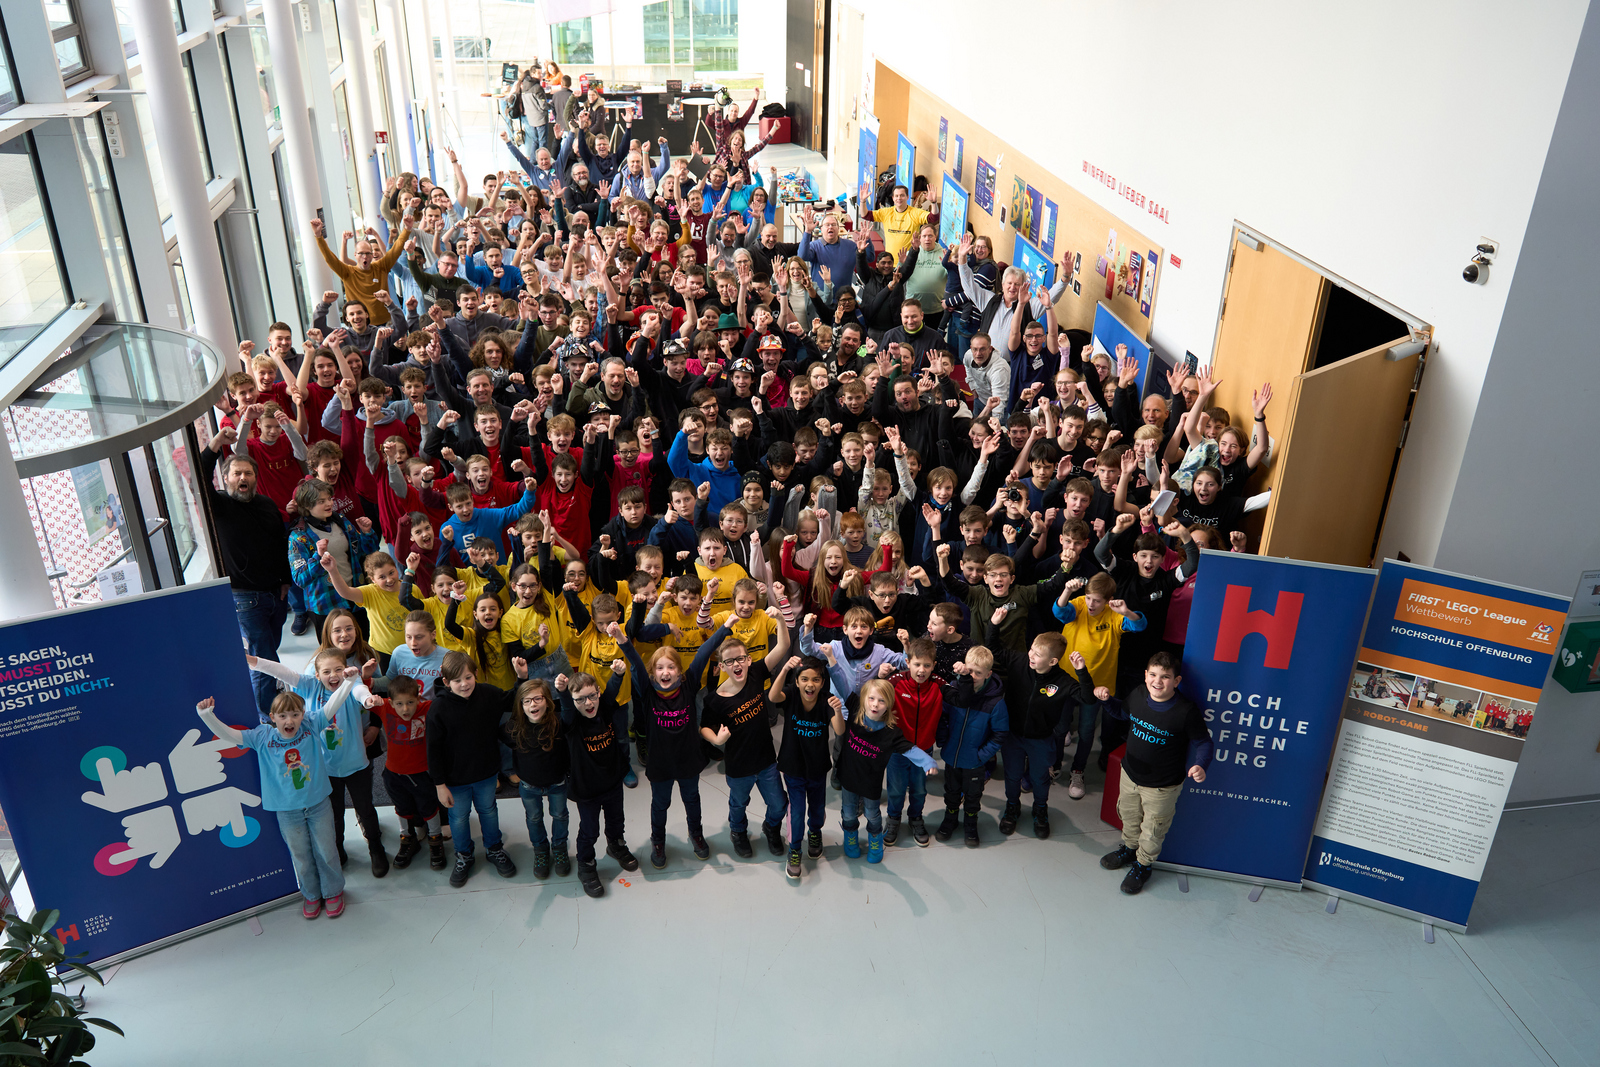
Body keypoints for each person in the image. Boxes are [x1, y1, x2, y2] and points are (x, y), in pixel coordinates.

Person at [195, 670, 366, 919]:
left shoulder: (311, 725)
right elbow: (229, 735)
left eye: (295, 714)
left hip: (318, 804)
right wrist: (206, 716)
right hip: (287, 811)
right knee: (301, 856)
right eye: (283, 716)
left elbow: (333, 704)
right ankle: (311, 894)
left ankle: (333, 892)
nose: (290, 720)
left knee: (327, 850)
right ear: (273, 717)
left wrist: (349, 681)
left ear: (303, 715)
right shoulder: (262, 737)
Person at [1097, 651, 1213, 894]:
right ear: (1145, 675)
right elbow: (1122, 712)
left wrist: (1201, 764)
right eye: (1153, 674)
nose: (1157, 681)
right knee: (1128, 816)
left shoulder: (1185, 711)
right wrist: (1106, 700)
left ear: (1177, 681)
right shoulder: (1139, 693)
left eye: (1165, 677)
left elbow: (1203, 742)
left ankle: (1143, 865)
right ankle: (1129, 849)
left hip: (1162, 786)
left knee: (1152, 830)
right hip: (1129, 774)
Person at [199, 427, 292, 723]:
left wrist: (285, 581)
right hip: (244, 598)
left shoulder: (266, 504)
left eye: (248, 473)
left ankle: (269, 698)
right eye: (236, 473)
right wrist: (215, 443)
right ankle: (267, 716)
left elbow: (279, 545)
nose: (243, 478)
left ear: (255, 478)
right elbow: (198, 477)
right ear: (226, 478)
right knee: (264, 657)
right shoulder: (220, 505)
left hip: (275, 594)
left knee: (267, 652)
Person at [982, 613, 1099, 839]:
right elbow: (993, 649)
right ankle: (1012, 806)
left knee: (1040, 778)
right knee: (1012, 775)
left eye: (1038, 654)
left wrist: (1081, 671)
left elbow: (1088, 698)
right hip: (1013, 736)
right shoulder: (1019, 662)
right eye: (1032, 649)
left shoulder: (1063, 681)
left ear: (1053, 661)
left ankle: (1040, 809)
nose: (1031, 655)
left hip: (1042, 739)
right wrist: (994, 624)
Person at [619, 613, 723, 869]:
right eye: (659, 668)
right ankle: (658, 840)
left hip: (688, 760)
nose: (665, 672)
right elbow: (635, 662)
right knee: (660, 804)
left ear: (679, 671)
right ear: (653, 673)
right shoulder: (648, 693)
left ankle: (696, 833)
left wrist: (726, 627)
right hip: (661, 764)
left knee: (692, 799)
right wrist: (623, 640)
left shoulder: (689, 685)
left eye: (671, 667)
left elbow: (703, 653)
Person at [428, 651, 528, 887]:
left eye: (468, 677)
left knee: (488, 811)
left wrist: (522, 678)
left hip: (486, 773)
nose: (464, 684)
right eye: (457, 680)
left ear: (475, 674)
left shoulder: (488, 694)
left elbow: (513, 699)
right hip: (455, 780)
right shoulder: (438, 709)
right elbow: (433, 751)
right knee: (458, 818)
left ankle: (494, 848)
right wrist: (440, 785)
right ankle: (464, 855)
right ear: (446, 682)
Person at [699, 614, 793, 859]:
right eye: (729, 661)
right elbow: (704, 727)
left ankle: (771, 827)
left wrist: (780, 620)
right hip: (739, 766)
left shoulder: (756, 674)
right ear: (722, 667)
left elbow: (783, 645)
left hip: (766, 760)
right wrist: (716, 740)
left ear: (749, 660)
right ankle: (738, 831)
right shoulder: (715, 700)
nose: (736, 664)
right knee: (739, 804)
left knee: (779, 805)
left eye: (740, 658)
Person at [829, 678, 937, 864]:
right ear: (863, 698)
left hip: (871, 783)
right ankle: (850, 837)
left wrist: (927, 762)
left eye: (881, 701)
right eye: (871, 698)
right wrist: (831, 662)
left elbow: (910, 749)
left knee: (872, 814)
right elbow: (842, 682)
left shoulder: (891, 733)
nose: (875, 704)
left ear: (889, 705)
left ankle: (875, 841)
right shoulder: (854, 709)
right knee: (848, 812)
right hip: (848, 778)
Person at [555, 667, 639, 898]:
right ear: (573, 701)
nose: (588, 703)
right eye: (580, 699)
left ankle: (616, 845)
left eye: (592, 695)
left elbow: (610, 693)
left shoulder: (605, 709)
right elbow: (567, 708)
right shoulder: (572, 722)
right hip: (587, 790)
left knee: (616, 820)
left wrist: (618, 676)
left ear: (598, 692)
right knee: (590, 830)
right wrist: (562, 693)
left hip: (612, 782)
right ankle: (586, 864)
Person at [769, 654, 840, 880]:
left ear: (822, 682)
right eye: (805, 679)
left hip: (817, 767)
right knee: (797, 811)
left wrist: (838, 710)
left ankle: (815, 832)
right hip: (793, 768)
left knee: (817, 808)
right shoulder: (790, 694)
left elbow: (840, 730)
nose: (810, 684)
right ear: (797, 682)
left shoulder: (827, 700)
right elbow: (773, 696)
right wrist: (784, 670)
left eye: (816, 680)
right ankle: (795, 849)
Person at [372, 675, 445, 872]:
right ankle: (407, 838)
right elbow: (360, 694)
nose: (405, 709)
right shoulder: (384, 707)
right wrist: (366, 680)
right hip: (393, 774)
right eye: (400, 704)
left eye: (410, 702)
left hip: (421, 773)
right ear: (391, 702)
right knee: (402, 808)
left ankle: (435, 840)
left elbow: (448, 700)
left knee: (429, 808)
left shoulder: (427, 707)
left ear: (418, 698)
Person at [503, 677, 572, 879]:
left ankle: (559, 847)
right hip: (529, 786)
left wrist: (564, 692)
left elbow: (570, 712)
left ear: (547, 701)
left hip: (557, 783)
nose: (532, 704)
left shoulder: (558, 723)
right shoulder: (514, 728)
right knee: (534, 818)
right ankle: (540, 849)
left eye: (537, 699)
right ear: (521, 705)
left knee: (560, 815)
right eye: (527, 701)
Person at [940, 645, 1009, 847]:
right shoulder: (954, 690)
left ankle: (971, 823)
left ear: (988, 674)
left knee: (973, 795)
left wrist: (981, 756)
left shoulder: (995, 702)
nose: (972, 676)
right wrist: (943, 741)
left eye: (978, 673)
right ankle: (950, 818)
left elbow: (1000, 733)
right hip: (952, 757)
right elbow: (942, 717)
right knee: (951, 791)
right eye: (969, 670)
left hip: (974, 761)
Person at [310, 217, 408, 327]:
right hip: (360, 326)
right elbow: (329, 258)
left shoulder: (381, 267)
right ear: (355, 255)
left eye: (368, 253)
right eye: (361, 253)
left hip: (386, 324)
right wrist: (318, 236)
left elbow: (396, 249)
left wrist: (407, 229)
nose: (365, 256)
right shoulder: (347, 272)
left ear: (372, 255)